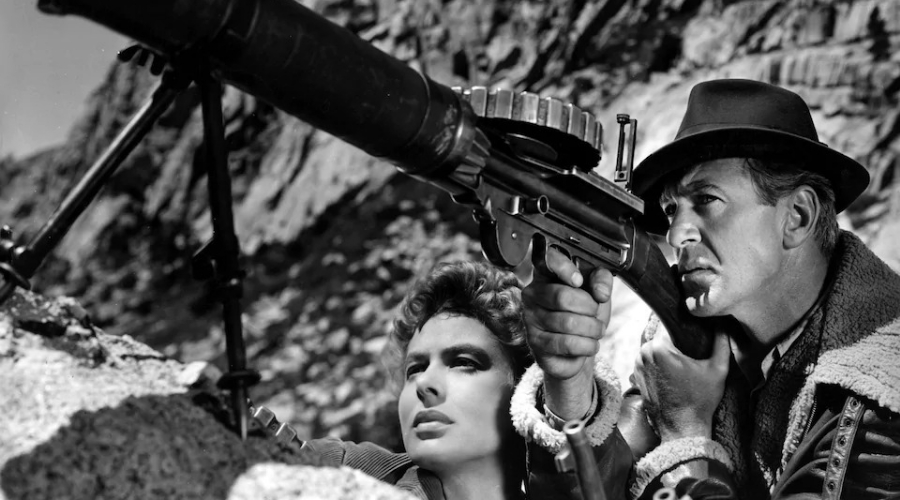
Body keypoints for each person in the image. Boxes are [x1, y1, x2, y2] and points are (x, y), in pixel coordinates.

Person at [520, 79, 900, 500]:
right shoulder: (690, 341)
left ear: (797, 215)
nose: (676, 233)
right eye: (671, 210)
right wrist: (569, 377)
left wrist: (686, 430)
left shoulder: (880, 395)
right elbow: (604, 488)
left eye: (706, 200)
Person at [296, 260, 630, 500]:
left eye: (462, 363)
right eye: (415, 368)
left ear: (524, 392)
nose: (424, 384)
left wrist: (568, 376)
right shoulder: (344, 475)